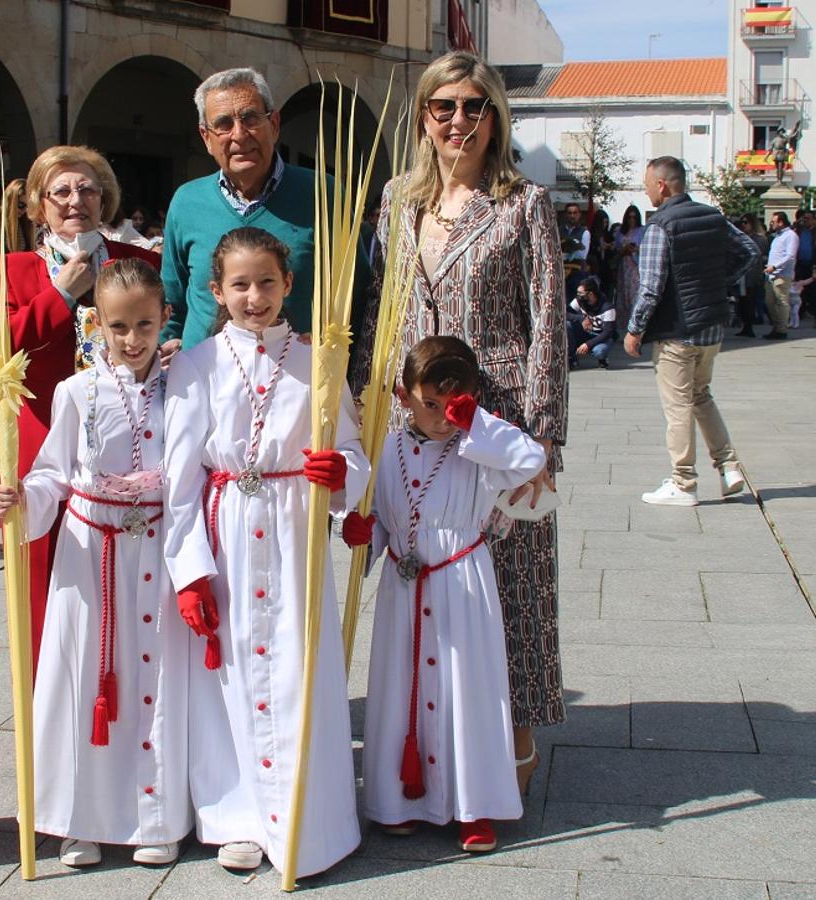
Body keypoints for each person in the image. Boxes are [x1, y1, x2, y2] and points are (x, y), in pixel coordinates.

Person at [349, 51, 568, 795]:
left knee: (513, 575)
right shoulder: (397, 200)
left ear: (495, 117)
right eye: (444, 106)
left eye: (475, 106)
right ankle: (435, 737)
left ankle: (518, 731)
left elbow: (548, 325)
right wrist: (370, 397)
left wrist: (543, 436)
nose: (459, 121)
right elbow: (386, 304)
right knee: (428, 566)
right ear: (423, 116)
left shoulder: (524, 202)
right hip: (416, 412)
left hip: (497, 406)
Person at [163, 227, 367, 877]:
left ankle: (312, 814)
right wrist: (190, 568)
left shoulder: (320, 364)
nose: (255, 296)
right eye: (240, 284)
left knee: (297, 668)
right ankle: (237, 815)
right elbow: (180, 478)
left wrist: (343, 476)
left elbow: (358, 454)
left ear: (289, 285)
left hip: (292, 532)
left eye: (267, 282)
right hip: (227, 534)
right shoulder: (196, 366)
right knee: (228, 680)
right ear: (217, 291)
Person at [0, 259, 188, 869]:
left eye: (146, 325)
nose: (133, 341)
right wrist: (26, 495)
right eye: (119, 326)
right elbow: (55, 471)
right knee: (84, 680)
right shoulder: (74, 391)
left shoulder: (183, 384)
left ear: (164, 319)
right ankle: (78, 818)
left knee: (154, 679)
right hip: (90, 555)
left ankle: (153, 815)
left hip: (155, 546)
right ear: (95, 323)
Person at [341, 335, 546, 852]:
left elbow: (529, 459)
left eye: (450, 404)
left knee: (467, 689)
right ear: (403, 395)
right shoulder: (384, 449)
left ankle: (474, 806)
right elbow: (381, 519)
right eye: (427, 403)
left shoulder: (476, 449)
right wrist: (359, 531)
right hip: (404, 586)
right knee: (399, 687)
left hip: (461, 585)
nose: (437, 417)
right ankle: (399, 800)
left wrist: (472, 421)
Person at [0, 145, 160, 677]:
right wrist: (59, 293)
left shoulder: (140, 262)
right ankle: (46, 710)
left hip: (131, 459)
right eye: (61, 191)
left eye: (87, 189)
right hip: (43, 454)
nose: (75, 200)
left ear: (106, 199)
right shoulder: (13, 269)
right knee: (42, 592)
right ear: (38, 206)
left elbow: (166, 332)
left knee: (129, 595)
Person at [159, 67, 371, 352]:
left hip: (297, 386)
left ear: (274, 124)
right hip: (206, 385)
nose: (239, 134)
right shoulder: (186, 202)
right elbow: (171, 305)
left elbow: (358, 298)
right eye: (223, 124)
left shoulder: (325, 195)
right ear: (206, 137)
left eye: (250, 118)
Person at [623, 157, 759, 507]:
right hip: (711, 327)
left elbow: (651, 287)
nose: (646, 190)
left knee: (678, 407)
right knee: (701, 396)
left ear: (663, 185)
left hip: (677, 331)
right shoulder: (713, 216)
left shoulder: (660, 226)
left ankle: (683, 482)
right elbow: (749, 251)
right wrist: (719, 283)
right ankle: (729, 467)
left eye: (648, 183)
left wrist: (634, 330)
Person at [567, 276, 616, 369]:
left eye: (581, 293)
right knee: (567, 325)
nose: (578, 295)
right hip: (585, 333)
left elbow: (608, 332)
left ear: (590, 294)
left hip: (600, 336)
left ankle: (602, 358)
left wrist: (588, 344)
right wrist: (581, 318)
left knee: (600, 351)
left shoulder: (608, 308)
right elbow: (566, 313)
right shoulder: (579, 301)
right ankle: (571, 357)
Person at [763, 211, 797, 340]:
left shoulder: (790, 235)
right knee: (769, 302)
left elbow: (790, 256)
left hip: (782, 274)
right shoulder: (777, 236)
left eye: (773, 222)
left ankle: (781, 329)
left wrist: (775, 266)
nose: (771, 224)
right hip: (770, 275)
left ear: (781, 222)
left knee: (782, 302)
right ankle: (776, 326)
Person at [613, 205, 644, 333]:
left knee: (634, 296)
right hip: (623, 266)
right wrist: (623, 250)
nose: (632, 220)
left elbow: (645, 247)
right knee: (622, 296)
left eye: (634, 217)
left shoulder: (642, 230)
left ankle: (636, 327)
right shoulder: (620, 231)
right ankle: (623, 327)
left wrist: (635, 250)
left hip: (635, 266)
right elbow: (616, 248)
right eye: (630, 217)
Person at [558, 202, 590, 295]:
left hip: (577, 272)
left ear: (579, 214)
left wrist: (565, 255)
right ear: (565, 215)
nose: (572, 216)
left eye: (575, 213)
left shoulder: (585, 232)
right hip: (560, 272)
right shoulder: (557, 231)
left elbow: (582, 255)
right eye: (570, 213)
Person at [2, 178, 36, 253]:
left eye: (28, 206)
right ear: (11, 201)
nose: (24, 210)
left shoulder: (27, 222)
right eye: (21, 205)